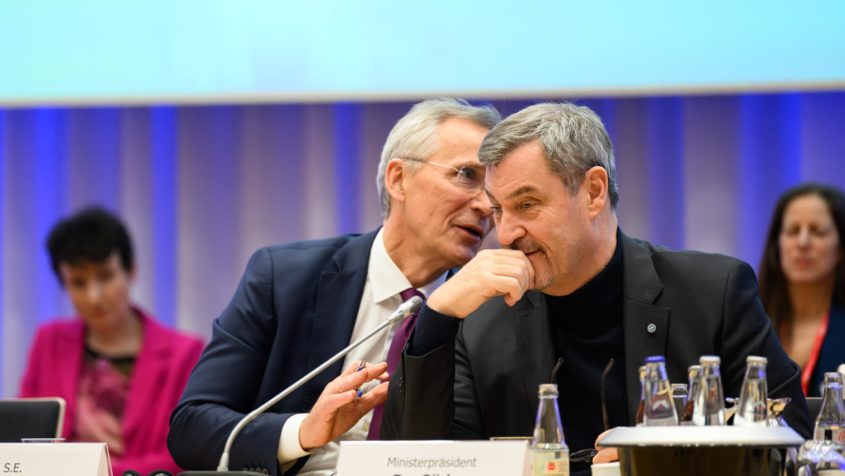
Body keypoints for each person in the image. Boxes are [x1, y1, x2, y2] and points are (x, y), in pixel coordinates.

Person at [381, 102, 812, 474]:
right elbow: (421, 462)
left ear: (593, 192)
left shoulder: (713, 292)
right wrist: (438, 318)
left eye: (527, 204)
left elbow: (789, 439)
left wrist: (665, 460)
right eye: (498, 210)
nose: (506, 233)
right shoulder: (481, 316)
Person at [167, 98, 499, 475]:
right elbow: (192, 428)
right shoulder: (284, 279)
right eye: (466, 175)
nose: (486, 206)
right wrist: (303, 432)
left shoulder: (491, 313)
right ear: (398, 179)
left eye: (493, 192)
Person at [19, 207, 204, 476]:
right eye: (78, 283)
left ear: (131, 271)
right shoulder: (49, 342)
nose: (94, 297)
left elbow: (186, 453)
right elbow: (24, 439)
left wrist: (95, 472)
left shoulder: (184, 353)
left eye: (105, 276)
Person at [759, 183, 845, 397]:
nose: (803, 242)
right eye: (793, 231)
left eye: (817, 231)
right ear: (777, 245)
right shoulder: (752, 322)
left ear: (841, 248)